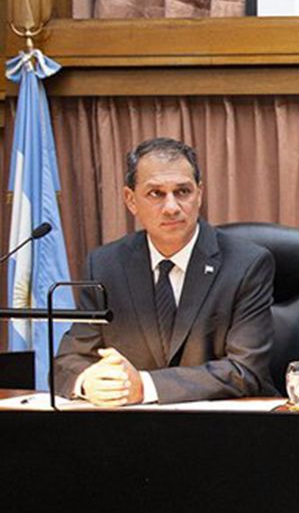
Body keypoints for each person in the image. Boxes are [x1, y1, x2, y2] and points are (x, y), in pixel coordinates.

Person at [54, 137, 276, 406]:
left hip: (221, 432)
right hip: (130, 434)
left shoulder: (246, 264)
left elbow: (246, 371)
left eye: (183, 191)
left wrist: (145, 387)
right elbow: (68, 362)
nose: (171, 207)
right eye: (156, 194)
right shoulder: (105, 266)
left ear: (199, 194)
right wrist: (90, 381)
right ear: (130, 200)